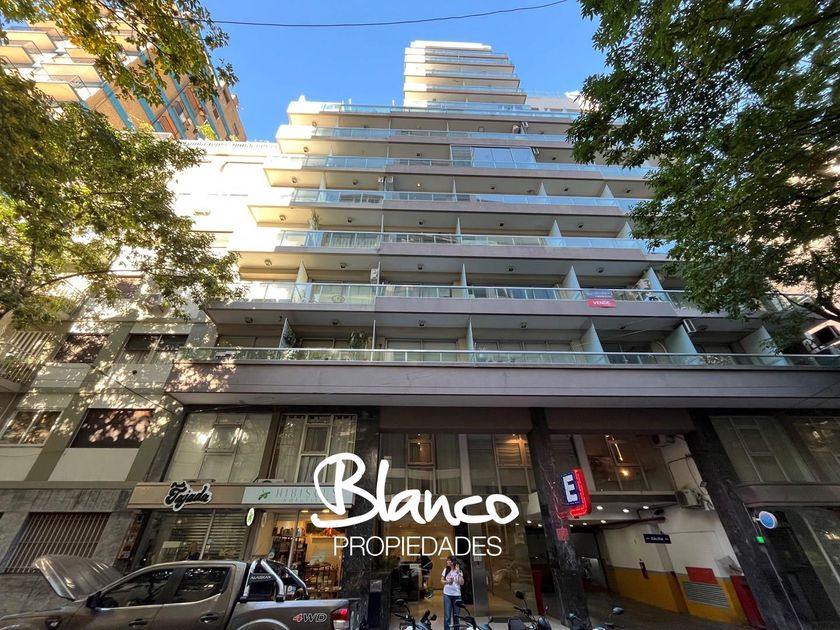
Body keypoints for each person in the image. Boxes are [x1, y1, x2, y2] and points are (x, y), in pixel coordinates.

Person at [441, 556, 464, 630]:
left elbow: (462, 583)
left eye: (448, 560)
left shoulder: (459, 571)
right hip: (447, 594)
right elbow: (441, 580)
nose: (447, 562)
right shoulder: (446, 570)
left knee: (456, 615)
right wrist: (447, 581)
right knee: (447, 615)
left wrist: (458, 572)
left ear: (453, 562)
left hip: (457, 594)